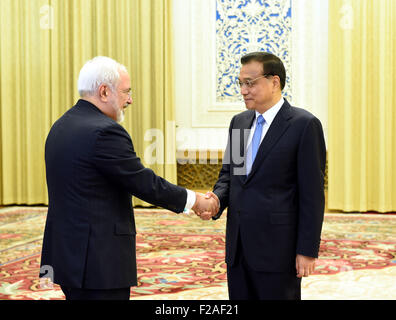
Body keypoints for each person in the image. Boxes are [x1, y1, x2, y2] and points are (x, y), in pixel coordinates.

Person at [39, 56, 218, 300]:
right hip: (98, 264)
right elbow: (144, 183)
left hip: (68, 258)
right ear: (104, 91)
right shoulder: (104, 131)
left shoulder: (61, 125)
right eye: (126, 92)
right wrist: (195, 200)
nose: (130, 100)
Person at [203, 52, 326, 300]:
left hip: (278, 250)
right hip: (238, 248)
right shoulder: (239, 122)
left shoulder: (304, 125)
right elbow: (230, 176)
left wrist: (307, 249)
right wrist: (216, 200)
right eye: (240, 83)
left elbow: (312, 195)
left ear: (274, 82)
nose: (243, 90)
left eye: (250, 82)